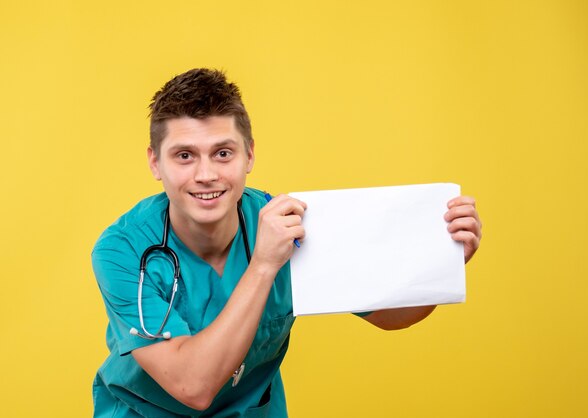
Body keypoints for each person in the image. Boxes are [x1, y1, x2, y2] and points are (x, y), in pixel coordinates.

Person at [92, 68, 483, 417]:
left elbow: (388, 316)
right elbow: (193, 388)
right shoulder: (124, 251)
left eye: (223, 153)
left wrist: (442, 260)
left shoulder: (289, 225)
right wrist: (263, 265)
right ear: (155, 163)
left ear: (249, 155)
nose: (206, 173)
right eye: (184, 156)